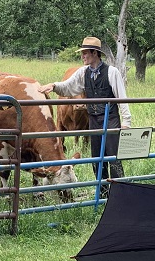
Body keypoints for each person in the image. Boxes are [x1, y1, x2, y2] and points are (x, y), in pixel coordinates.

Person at [40, 36, 131, 183]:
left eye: (85, 53)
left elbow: (122, 97)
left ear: (95, 53)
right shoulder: (83, 73)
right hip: (93, 120)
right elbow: (68, 86)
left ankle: (119, 190)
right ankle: (102, 192)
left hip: (110, 120)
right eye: (82, 53)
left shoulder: (112, 72)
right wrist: (54, 86)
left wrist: (126, 122)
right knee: (96, 159)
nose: (82, 56)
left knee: (113, 158)